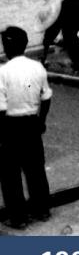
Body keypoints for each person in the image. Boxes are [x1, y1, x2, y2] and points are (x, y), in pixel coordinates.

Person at [0, 26, 52, 229]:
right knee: (35, 169)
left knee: (10, 174)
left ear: (6, 47)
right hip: (32, 123)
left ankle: (19, 218)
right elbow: (45, 96)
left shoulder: (3, 72)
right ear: (25, 44)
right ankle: (42, 210)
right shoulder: (37, 67)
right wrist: (41, 120)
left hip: (10, 125)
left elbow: (1, 108)